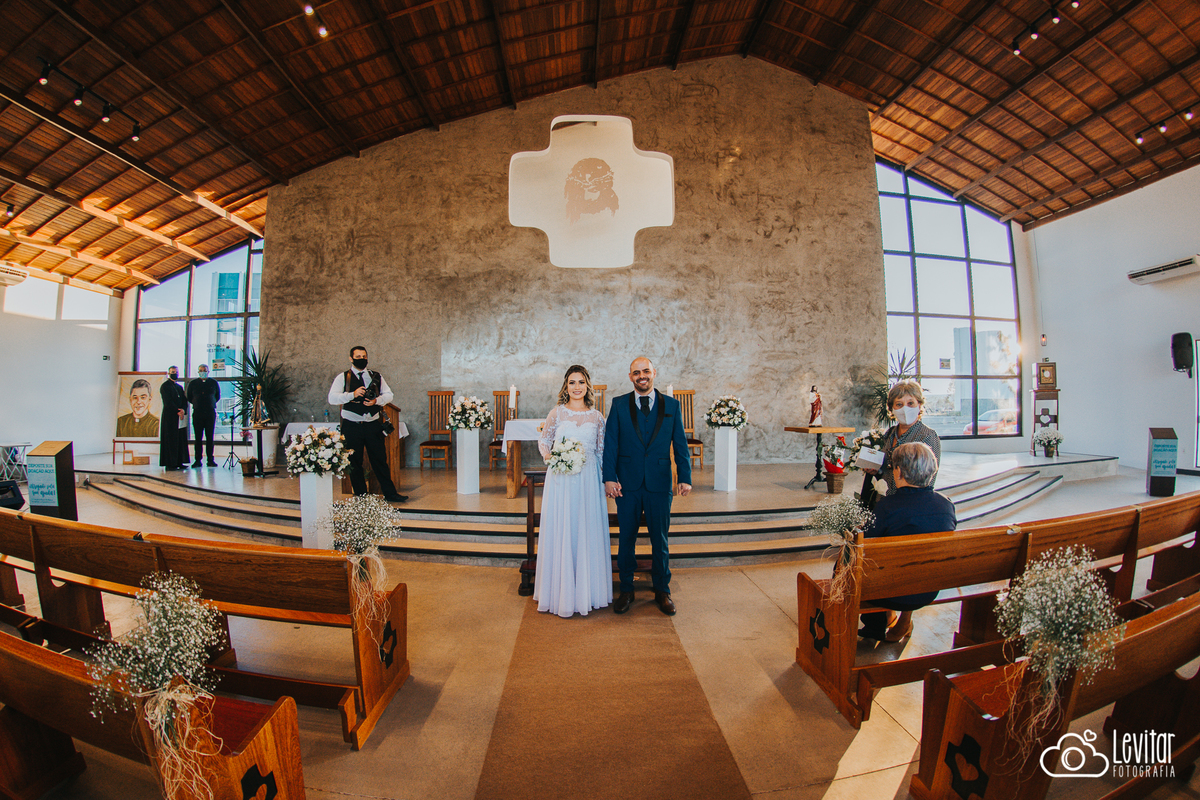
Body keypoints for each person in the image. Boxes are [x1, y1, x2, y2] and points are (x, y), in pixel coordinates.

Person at [602, 356, 692, 616]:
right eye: (636, 372)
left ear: (654, 373)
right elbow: (611, 443)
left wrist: (684, 477)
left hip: (659, 483)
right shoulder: (619, 405)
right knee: (626, 538)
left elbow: (680, 445)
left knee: (660, 540)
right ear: (630, 376)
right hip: (626, 484)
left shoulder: (672, 406)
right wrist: (609, 477)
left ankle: (662, 590)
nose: (641, 376)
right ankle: (626, 589)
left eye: (646, 371)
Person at [859, 442, 956, 642]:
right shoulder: (946, 505)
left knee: (856, 562)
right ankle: (888, 621)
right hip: (928, 589)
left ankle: (875, 626)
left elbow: (865, 548)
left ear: (899, 472)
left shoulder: (887, 506)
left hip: (891, 591)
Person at [534, 365, 611, 617]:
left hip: (588, 479)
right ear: (565, 387)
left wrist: (605, 479)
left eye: (581, 382)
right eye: (571, 382)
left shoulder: (598, 417)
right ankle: (560, 592)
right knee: (564, 527)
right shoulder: (557, 413)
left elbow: (601, 452)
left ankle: (588, 590)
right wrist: (553, 458)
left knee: (585, 527)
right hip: (562, 480)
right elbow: (544, 441)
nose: (576, 387)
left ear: (587, 385)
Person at [327, 345, 407, 502]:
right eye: (358, 357)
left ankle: (390, 493)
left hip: (372, 424)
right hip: (351, 425)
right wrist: (352, 395)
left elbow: (389, 394)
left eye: (364, 356)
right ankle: (361, 495)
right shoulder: (343, 377)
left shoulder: (376, 376)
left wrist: (376, 400)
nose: (362, 359)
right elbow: (332, 398)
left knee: (380, 460)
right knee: (354, 461)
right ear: (351, 359)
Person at [860, 379, 941, 507]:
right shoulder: (890, 433)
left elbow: (929, 480)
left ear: (919, 405)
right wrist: (874, 468)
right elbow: (886, 467)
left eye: (910, 403)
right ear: (892, 408)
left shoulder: (927, 436)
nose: (905, 409)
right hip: (884, 501)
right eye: (899, 404)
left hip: (909, 505)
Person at [186, 364, 221, 467]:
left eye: (204, 370)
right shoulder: (193, 383)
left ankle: (210, 459)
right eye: (200, 370)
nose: (203, 372)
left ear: (208, 371)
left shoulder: (213, 383)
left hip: (210, 412)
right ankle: (197, 460)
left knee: (210, 437)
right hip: (198, 412)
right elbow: (189, 397)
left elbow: (217, 396)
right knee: (198, 438)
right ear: (198, 371)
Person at [159, 366, 189, 471]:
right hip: (170, 417)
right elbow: (168, 402)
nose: (175, 374)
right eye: (172, 372)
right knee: (170, 440)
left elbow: (185, 401)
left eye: (176, 372)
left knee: (180, 440)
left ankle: (180, 461)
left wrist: (183, 410)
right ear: (168, 373)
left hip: (180, 417)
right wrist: (177, 410)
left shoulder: (179, 387)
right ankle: (170, 463)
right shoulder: (165, 386)